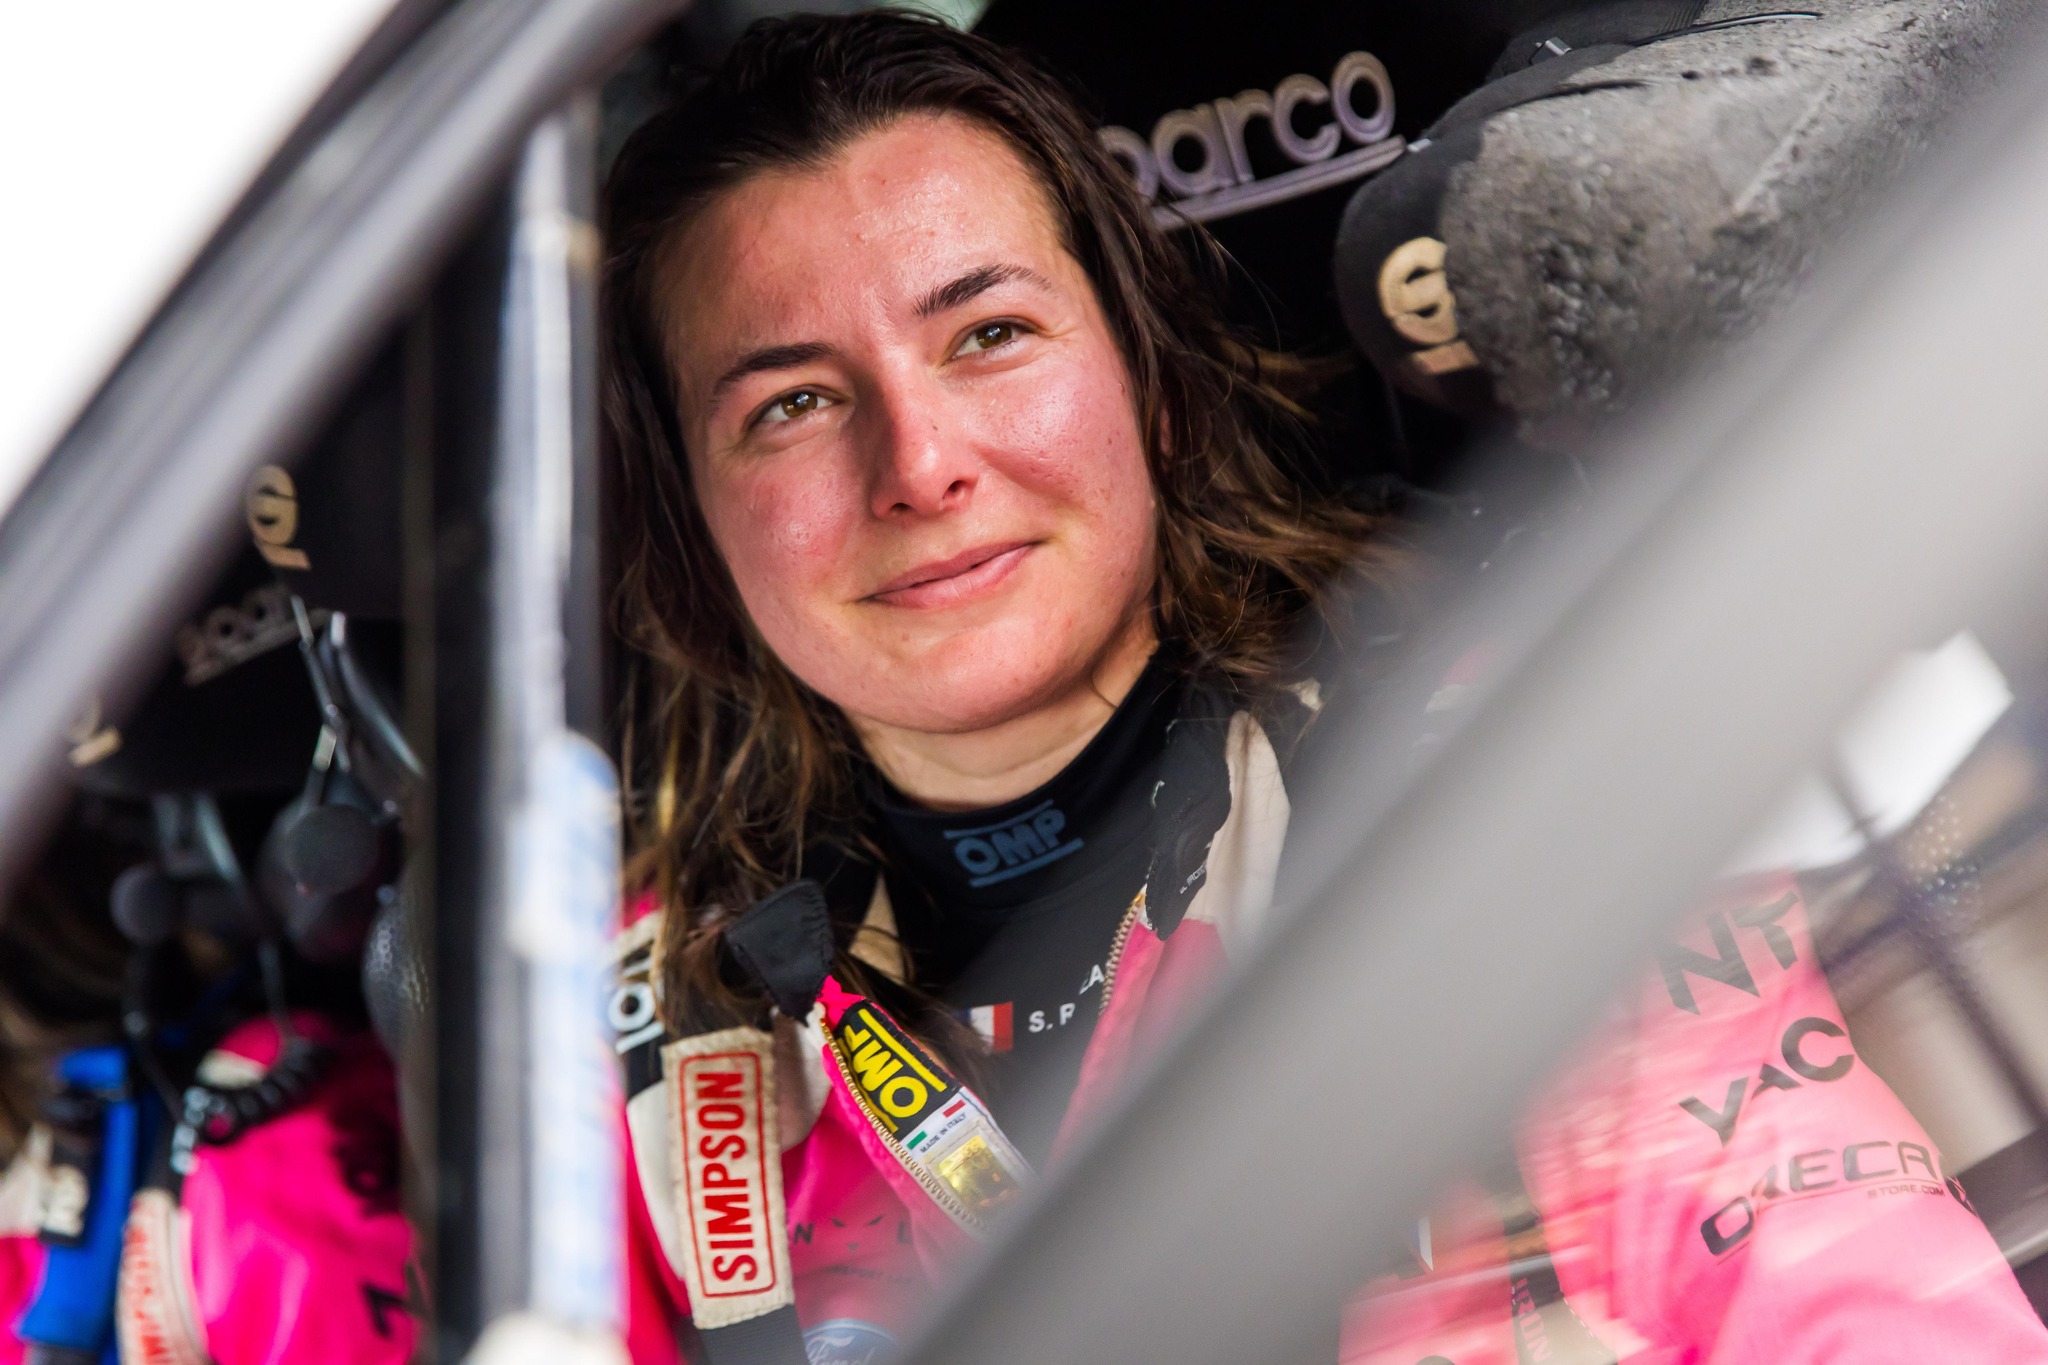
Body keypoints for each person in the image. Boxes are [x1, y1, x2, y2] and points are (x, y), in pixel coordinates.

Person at [599, 12, 2048, 1365]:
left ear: (1151, 387)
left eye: (990, 333)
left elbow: (1842, 1285)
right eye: (790, 402)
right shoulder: (652, 1008)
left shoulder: (1482, 797)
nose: (920, 466)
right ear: (687, 520)